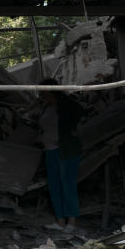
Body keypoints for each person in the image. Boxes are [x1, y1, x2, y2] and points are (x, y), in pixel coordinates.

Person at [38, 77, 84, 233]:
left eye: (44, 92)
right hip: (50, 150)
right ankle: (60, 221)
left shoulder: (66, 104)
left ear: (52, 91)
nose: (42, 96)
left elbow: (80, 111)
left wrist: (72, 130)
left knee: (67, 184)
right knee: (55, 186)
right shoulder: (46, 107)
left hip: (66, 150)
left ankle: (72, 221)